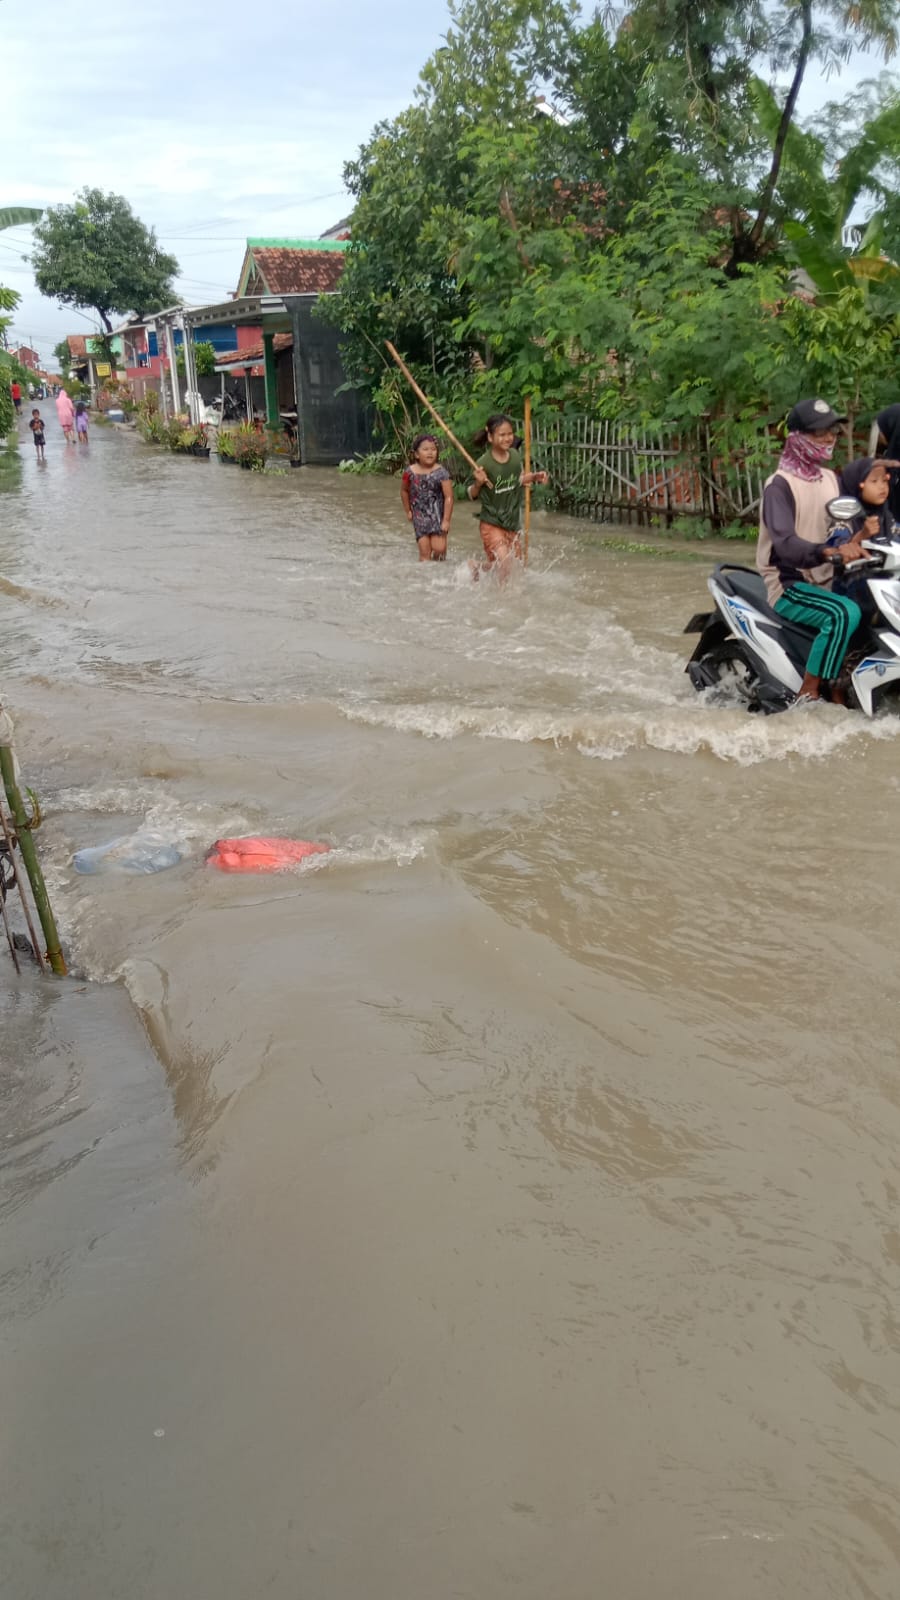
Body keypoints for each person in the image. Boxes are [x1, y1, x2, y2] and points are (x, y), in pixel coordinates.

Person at [756, 397, 864, 706]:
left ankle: (845, 686)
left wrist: (853, 538)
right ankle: (809, 689)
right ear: (797, 437)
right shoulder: (780, 485)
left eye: (832, 431)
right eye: (820, 433)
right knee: (844, 613)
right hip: (790, 582)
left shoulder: (830, 478)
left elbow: (845, 521)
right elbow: (785, 543)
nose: (829, 438)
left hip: (830, 577)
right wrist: (825, 552)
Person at [467, 413, 548, 574]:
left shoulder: (515, 456)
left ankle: (478, 567)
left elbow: (517, 480)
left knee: (514, 567)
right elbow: (471, 494)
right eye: (502, 435)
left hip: (511, 523)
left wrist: (534, 477)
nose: (507, 438)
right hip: (491, 522)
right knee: (505, 562)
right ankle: (503, 598)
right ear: (490, 437)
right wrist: (478, 483)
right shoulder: (484, 463)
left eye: (510, 434)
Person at [400, 434, 454, 561]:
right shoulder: (409, 472)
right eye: (425, 449)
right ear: (416, 454)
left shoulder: (442, 473)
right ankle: (423, 578)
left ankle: (440, 575)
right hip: (419, 516)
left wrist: (446, 520)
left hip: (437, 516)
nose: (430, 452)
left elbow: (449, 497)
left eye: (433, 449)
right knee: (425, 553)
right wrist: (408, 510)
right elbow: (404, 491)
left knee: (439, 550)